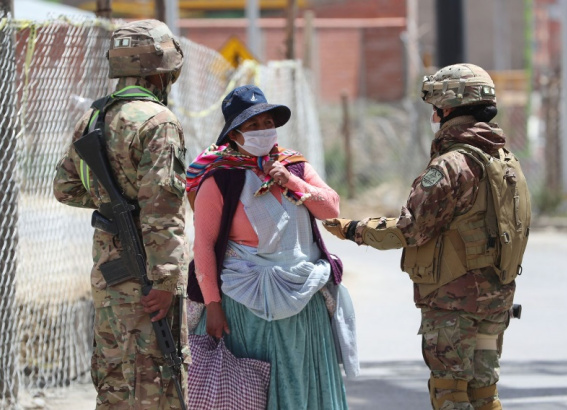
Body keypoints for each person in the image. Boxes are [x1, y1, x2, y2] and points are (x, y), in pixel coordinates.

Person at [323, 64, 531, 410]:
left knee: (450, 393)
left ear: (447, 108)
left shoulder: (452, 166)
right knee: (484, 393)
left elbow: (411, 229)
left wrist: (353, 229)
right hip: (495, 298)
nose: (434, 116)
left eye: (437, 107)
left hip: (453, 304)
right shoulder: (505, 159)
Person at [186, 84, 351, 409]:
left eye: (267, 123)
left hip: (303, 301)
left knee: (305, 382)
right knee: (256, 388)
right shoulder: (219, 179)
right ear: (234, 135)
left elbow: (331, 208)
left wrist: (290, 181)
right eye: (253, 126)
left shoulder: (294, 166)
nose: (264, 131)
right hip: (246, 305)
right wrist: (213, 306)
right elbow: (203, 245)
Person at [53, 20, 189, 409]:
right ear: (163, 67)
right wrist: (165, 280)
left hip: (109, 271)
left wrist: (112, 202)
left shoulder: (94, 118)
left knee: (115, 378)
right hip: (147, 273)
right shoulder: (158, 122)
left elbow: (65, 188)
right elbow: (162, 209)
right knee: (158, 379)